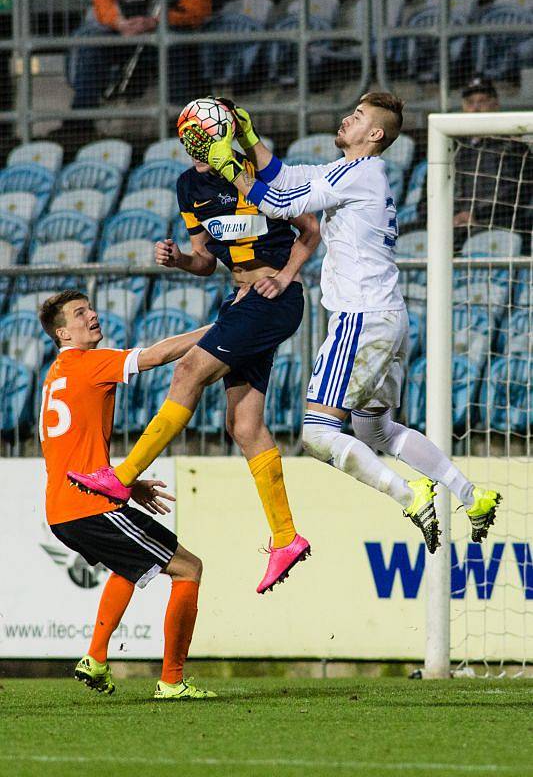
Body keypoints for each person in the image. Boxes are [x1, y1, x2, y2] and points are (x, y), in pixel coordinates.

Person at [177, 93, 502, 553]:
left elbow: (278, 201)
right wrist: (248, 139)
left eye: (359, 116)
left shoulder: (358, 173)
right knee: (377, 431)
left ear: (374, 134)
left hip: (360, 319)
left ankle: (410, 496)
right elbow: (285, 176)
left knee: (316, 432)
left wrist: (226, 164)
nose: (347, 117)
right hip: (388, 316)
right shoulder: (352, 172)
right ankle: (473, 496)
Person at [67, 145, 321, 594]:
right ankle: (286, 537)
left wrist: (283, 277)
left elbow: (311, 230)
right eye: (194, 129)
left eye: (208, 126)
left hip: (273, 296)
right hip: (243, 299)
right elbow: (204, 260)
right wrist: (180, 259)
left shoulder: (252, 169)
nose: (199, 135)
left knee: (187, 370)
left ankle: (122, 477)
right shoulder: (189, 186)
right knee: (244, 425)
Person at [39, 288, 216, 700]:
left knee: (128, 566)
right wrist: (221, 329)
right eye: (80, 314)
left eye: (90, 309)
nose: (92, 316)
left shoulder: (53, 377)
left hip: (62, 509)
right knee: (189, 569)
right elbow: (156, 356)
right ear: (64, 334)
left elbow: (72, 449)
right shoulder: (90, 364)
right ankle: (172, 681)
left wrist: (127, 484)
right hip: (89, 505)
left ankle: (97, 659)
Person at [61, 0, 212, 137]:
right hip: (127, 29)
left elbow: (197, 10)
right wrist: (119, 23)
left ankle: (179, 119)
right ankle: (80, 123)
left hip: (170, 29)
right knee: (95, 46)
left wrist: (158, 21)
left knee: (174, 44)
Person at [453, 76, 532, 252]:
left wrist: (475, 215)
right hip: (452, 226)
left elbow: (517, 194)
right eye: (470, 102)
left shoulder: (513, 148)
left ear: (495, 105)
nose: (475, 108)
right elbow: (427, 197)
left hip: (496, 225)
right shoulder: (451, 148)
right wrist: (451, 216)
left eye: (482, 101)